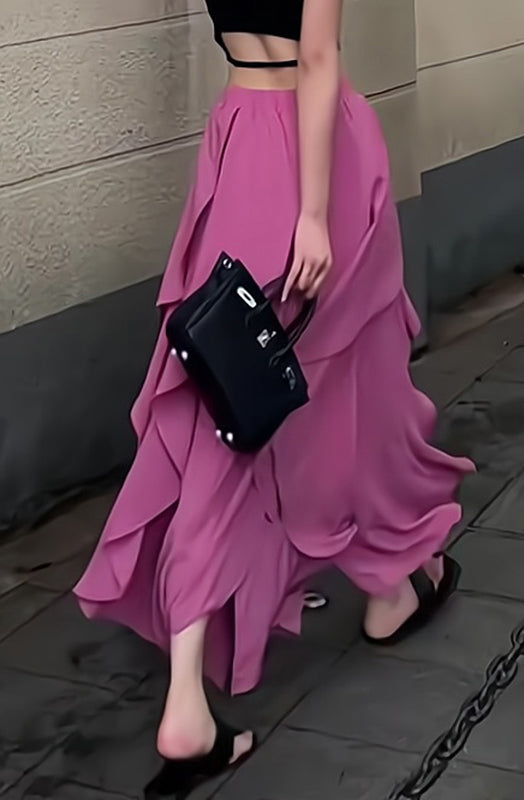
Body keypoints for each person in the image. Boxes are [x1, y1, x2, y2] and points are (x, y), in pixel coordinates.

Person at [74, 1, 475, 796]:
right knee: (349, 390)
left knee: (222, 408)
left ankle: (204, 686)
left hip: (239, 143)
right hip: (314, 157)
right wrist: (314, 215)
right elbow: (317, 58)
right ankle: (386, 581)